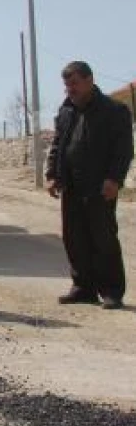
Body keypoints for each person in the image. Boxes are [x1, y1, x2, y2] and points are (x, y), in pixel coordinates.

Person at [46, 61, 133, 310]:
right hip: (72, 185)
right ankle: (83, 287)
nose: (69, 90)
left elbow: (123, 150)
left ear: (89, 80)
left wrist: (114, 179)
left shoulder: (114, 111)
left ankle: (112, 291)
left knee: (102, 237)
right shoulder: (66, 111)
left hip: (100, 185)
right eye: (66, 85)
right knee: (74, 238)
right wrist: (53, 175)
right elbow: (58, 145)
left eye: (74, 84)